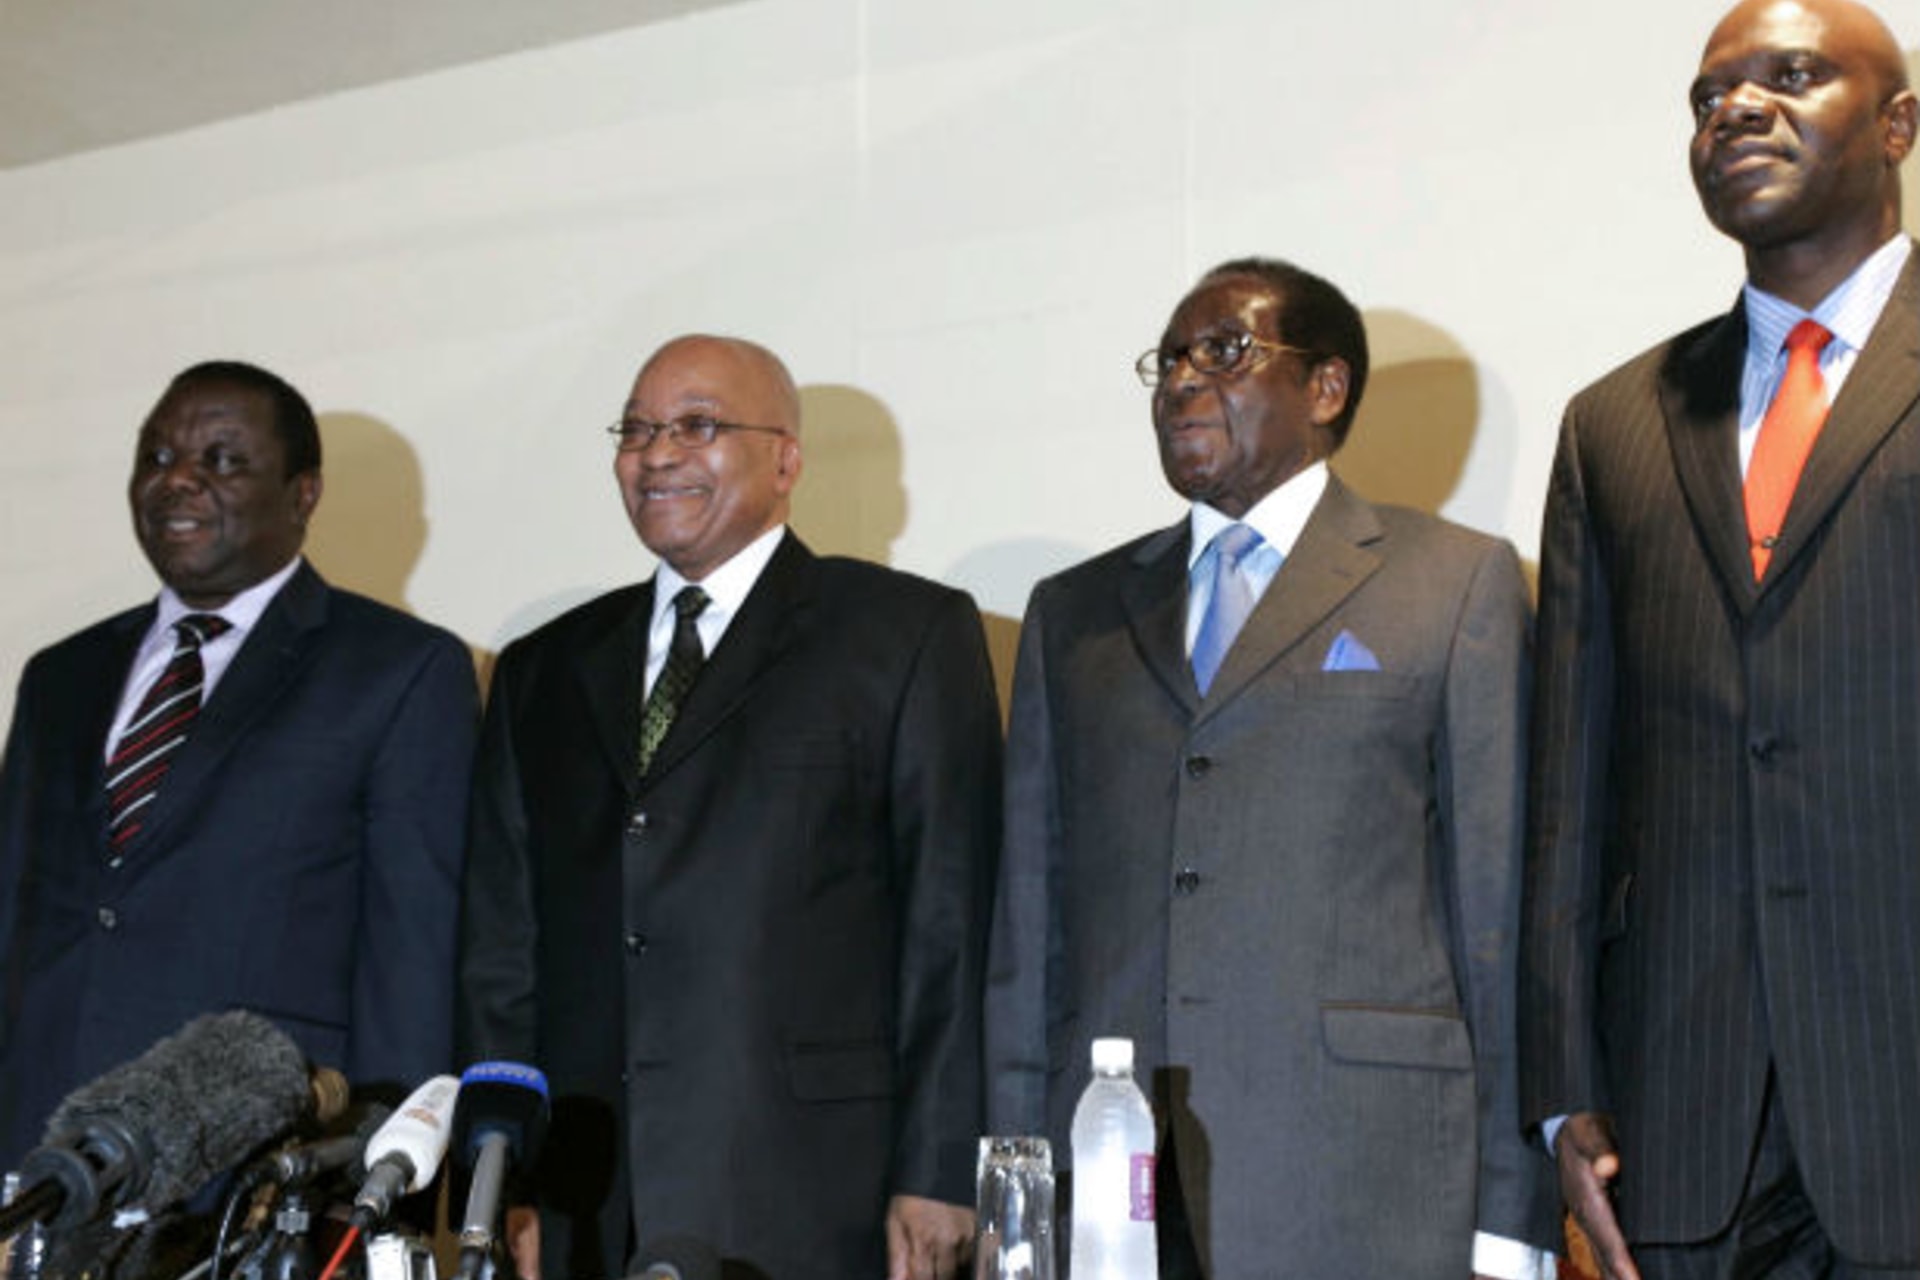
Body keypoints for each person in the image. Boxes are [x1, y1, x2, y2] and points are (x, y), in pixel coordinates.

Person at [984, 258, 1555, 1280]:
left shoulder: (1453, 581)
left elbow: (1499, 917)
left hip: (1366, 1175)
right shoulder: (1075, 614)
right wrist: (1013, 1191)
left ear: (1325, 388)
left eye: (1225, 351)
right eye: (1169, 360)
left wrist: (1515, 1210)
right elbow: (1030, 927)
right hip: (1112, 1191)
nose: (1181, 381)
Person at [457, 335, 1001, 1280]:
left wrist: (942, 1166)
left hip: (817, 1187)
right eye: (636, 431)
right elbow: (501, 950)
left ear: (787, 460)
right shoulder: (543, 667)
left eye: (697, 426)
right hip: (591, 1193)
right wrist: (508, 1179)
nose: (656, 454)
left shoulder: (904, 634)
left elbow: (951, 926)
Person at [1519, 0, 1920, 1275]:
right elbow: (1569, 796)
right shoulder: (1614, 425)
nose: (1736, 109)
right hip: (1685, 1123)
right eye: (1708, 98)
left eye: (1792, 76)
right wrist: (1562, 1089)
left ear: (1899, 124)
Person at [0, 360, 477, 1168]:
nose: (177, 480)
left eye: (222, 460)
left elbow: (411, 953)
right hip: (40, 1143)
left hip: (251, 1159)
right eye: (156, 457)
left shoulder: (399, 669)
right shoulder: (60, 676)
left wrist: (377, 1166)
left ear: (303, 494)